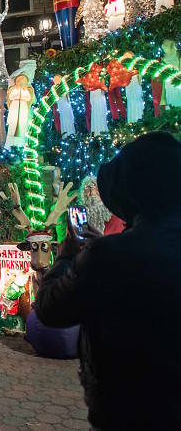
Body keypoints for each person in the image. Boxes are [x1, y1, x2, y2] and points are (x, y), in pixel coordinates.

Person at [36, 132, 181, 429]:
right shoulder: (111, 252)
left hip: (127, 409)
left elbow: (50, 309)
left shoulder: (108, 256)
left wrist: (67, 257)